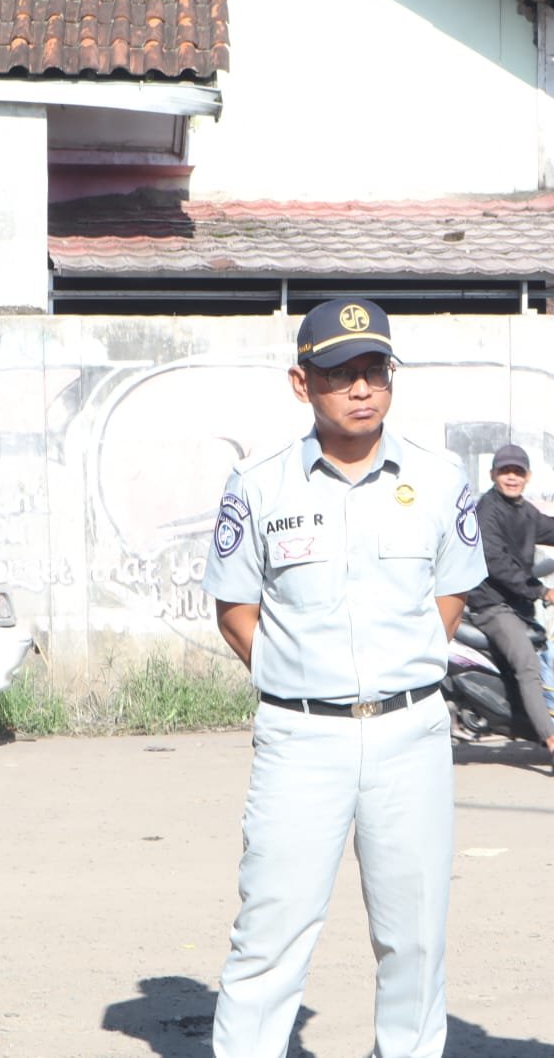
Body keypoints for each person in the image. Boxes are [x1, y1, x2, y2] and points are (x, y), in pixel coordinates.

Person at [200, 297, 486, 1058]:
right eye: (338, 374)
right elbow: (235, 611)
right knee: (271, 930)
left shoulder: (437, 478)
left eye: (374, 371)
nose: (360, 389)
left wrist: (399, 672)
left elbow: (450, 595)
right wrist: (300, 682)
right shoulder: (258, 485)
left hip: (409, 729)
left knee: (414, 937)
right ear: (302, 383)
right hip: (301, 737)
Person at [467, 442, 554, 773]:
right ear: (493, 475)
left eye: (517, 472)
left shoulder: (523, 511)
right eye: (505, 472)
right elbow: (496, 562)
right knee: (528, 664)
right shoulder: (487, 511)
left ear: (527, 477)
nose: (511, 478)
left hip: (516, 602)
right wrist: (541, 590)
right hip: (492, 605)